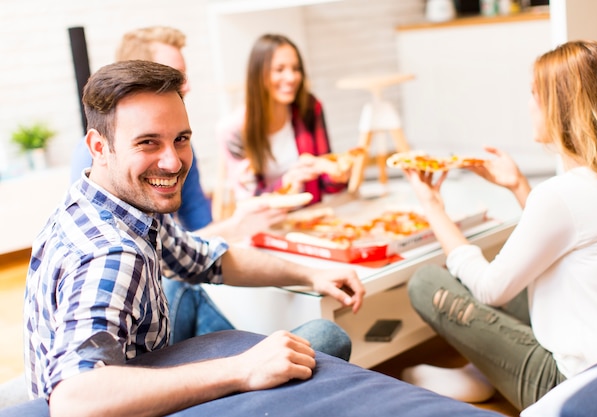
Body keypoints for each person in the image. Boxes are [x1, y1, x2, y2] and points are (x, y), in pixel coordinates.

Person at [24, 60, 365, 416]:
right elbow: (74, 400)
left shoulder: (107, 202)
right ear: (98, 146)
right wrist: (242, 370)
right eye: (148, 143)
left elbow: (206, 258)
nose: (172, 162)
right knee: (327, 337)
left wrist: (312, 275)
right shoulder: (112, 253)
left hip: (134, 369)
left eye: (181, 139)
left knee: (191, 291)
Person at [401, 40, 597, 411]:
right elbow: (567, 234)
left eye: (534, 95)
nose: (529, 105)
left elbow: (491, 290)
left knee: (427, 282)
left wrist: (433, 207)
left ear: (559, 107)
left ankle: (482, 375)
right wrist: (519, 185)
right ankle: (481, 373)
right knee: (531, 275)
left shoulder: (561, 194)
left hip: (572, 380)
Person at [69, 26, 287, 344]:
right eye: (176, 75)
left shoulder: (179, 151)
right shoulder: (99, 172)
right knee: (185, 287)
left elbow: (194, 240)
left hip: (170, 292)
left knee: (320, 336)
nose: (187, 85)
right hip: (148, 304)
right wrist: (235, 226)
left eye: (180, 140)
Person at [218, 33, 349, 204]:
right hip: (268, 223)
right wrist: (287, 182)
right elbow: (250, 201)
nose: (291, 77)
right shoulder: (233, 130)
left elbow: (328, 186)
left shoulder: (309, 107)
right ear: (258, 74)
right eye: (279, 70)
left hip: (312, 215)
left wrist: (339, 175)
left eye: (296, 69)